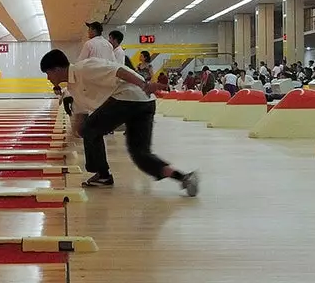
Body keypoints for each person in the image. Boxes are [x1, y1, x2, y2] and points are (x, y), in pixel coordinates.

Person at [39, 49, 197, 195]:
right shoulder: (73, 88)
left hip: (129, 97)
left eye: (48, 73)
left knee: (91, 128)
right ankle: (183, 178)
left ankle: (103, 175)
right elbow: (81, 116)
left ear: (57, 69)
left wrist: (144, 84)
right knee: (140, 155)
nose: (47, 78)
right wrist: (78, 131)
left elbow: (119, 71)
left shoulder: (84, 69)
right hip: (144, 103)